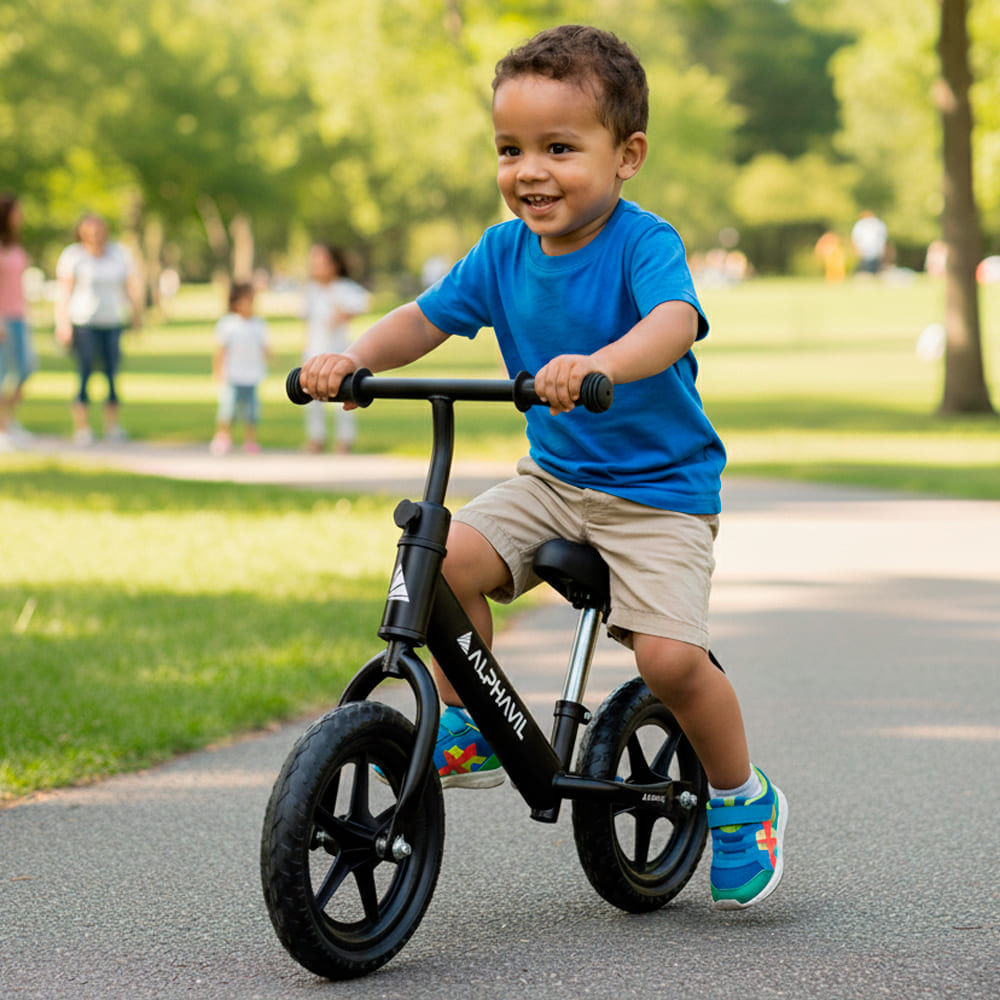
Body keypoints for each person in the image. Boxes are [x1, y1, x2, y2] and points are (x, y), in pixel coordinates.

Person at [299, 24, 787, 911]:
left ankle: (739, 798)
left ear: (626, 154)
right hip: (554, 483)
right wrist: (351, 360)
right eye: (511, 149)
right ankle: (474, 724)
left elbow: (674, 320)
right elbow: (427, 316)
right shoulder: (500, 252)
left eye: (560, 148)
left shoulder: (643, 242)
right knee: (440, 560)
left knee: (673, 663)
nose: (531, 170)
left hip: (658, 495)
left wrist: (600, 362)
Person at [55, 213, 143, 445]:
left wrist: (136, 314)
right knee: (84, 373)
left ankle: (112, 426)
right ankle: (82, 428)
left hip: (112, 321)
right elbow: (64, 293)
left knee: (112, 374)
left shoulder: (119, 254)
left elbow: (129, 286)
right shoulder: (74, 256)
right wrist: (63, 324)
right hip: (84, 322)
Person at [302, 244, 370, 454]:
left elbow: (360, 305)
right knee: (312, 399)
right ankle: (316, 438)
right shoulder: (312, 290)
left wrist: (340, 312)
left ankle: (344, 440)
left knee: (341, 397)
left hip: (338, 351)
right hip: (313, 350)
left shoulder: (344, 288)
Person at [211, 281, 270, 455]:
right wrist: (218, 371)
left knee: (251, 413)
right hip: (233, 376)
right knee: (227, 410)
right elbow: (220, 350)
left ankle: (250, 441)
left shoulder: (259, 324)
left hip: (252, 376)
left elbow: (265, 347)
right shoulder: (228, 324)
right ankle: (222, 437)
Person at [0, 194, 35, 450]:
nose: (20, 216)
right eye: (17, 212)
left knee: (25, 367)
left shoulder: (17, 246)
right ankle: (2, 428)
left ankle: (8, 421)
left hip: (19, 315)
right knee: (1, 373)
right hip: (2, 317)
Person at [851, 211, 888, 276]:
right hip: (863, 249)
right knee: (864, 267)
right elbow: (855, 237)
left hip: (875, 249)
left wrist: (881, 248)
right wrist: (856, 248)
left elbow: (882, 237)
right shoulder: (860, 224)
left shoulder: (878, 224)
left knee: (875, 267)